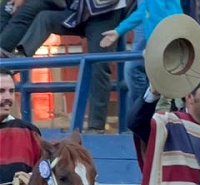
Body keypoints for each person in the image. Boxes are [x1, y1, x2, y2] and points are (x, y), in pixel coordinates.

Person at [14, 0, 127, 132]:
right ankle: (20, 58)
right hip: (78, 12)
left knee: (99, 67)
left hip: (105, 13)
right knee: (45, 18)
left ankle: (95, 127)